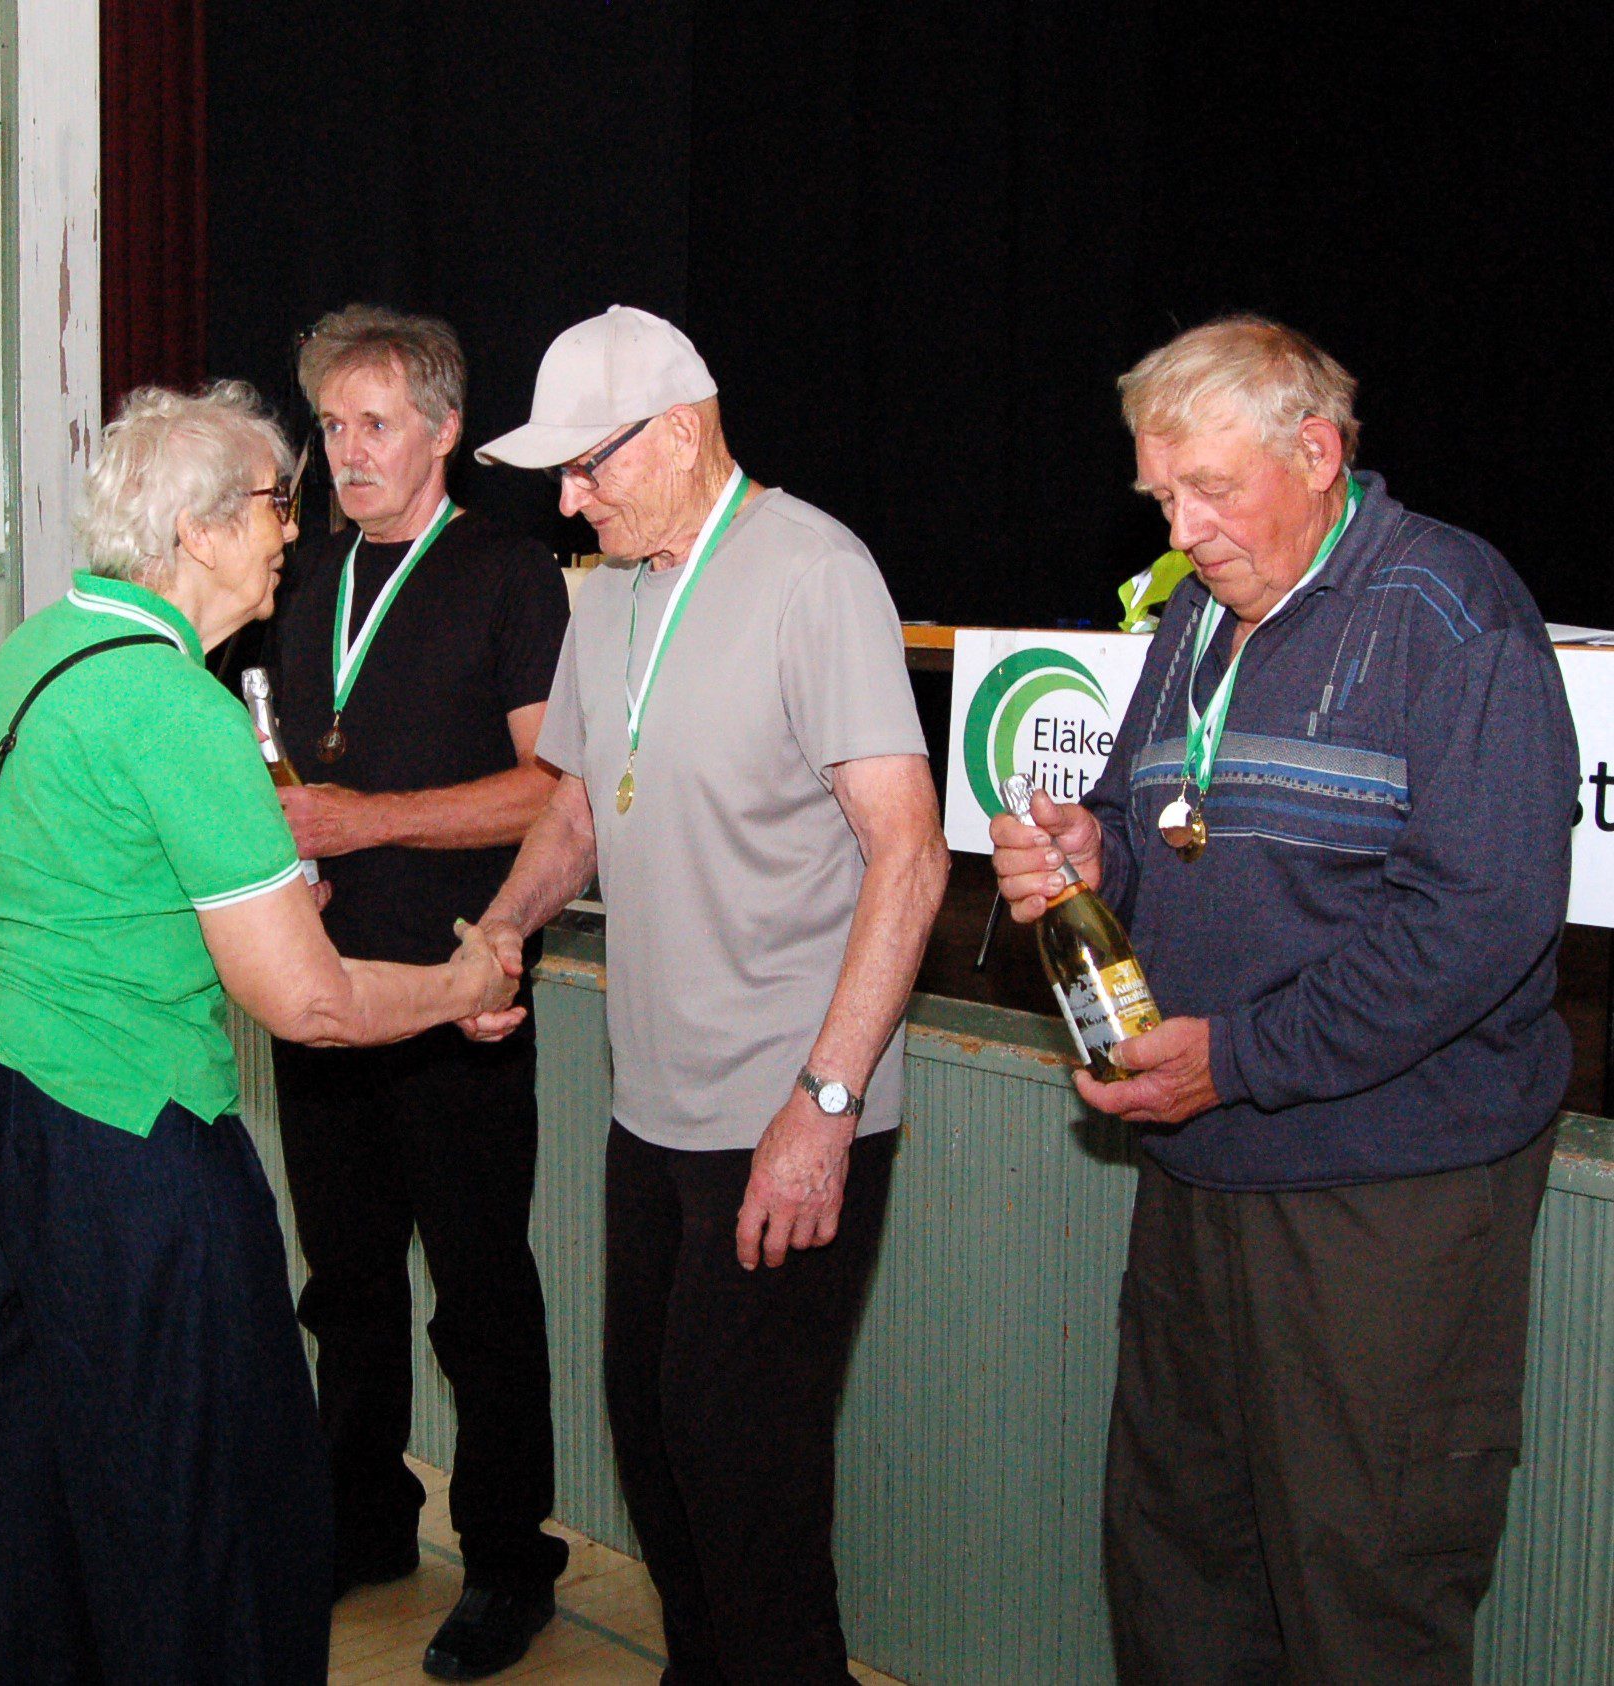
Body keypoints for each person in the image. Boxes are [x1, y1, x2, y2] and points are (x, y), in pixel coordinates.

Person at [990, 316, 1578, 1684]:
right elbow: (1156, 831)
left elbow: (1479, 923)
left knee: (1361, 1580)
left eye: (1209, 489)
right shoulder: (1201, 612)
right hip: (1203, 1169)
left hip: (1387, 1196)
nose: (1183, 529)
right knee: (1180, 1557)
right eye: (1162, 497)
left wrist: (1240, 1055)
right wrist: (1095, 854)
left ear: (1316, 453)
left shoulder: (1451, 611)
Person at [0, 381, 522, 1684]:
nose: (288, 533)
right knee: (207, 1502)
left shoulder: (36, 650)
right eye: (269, 504)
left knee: (27, 1472)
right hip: (129, 1149)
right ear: (193, 531)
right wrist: (463, 986)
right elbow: (308, 1000)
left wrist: (175, 909)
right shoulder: (178, 709)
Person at [463, 306, 950, 1684]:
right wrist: (495, 934)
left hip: (787, 1114)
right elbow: (573, 811)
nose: (567, 497)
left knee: (751, 1485)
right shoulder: (608, 587)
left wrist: (827, 1103)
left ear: (680, 431)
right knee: (658, 1446)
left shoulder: (815, 573)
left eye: (587, 466)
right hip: (653, 1113)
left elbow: (906, 853)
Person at [264, 305, 574, 1678]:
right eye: (331, 426)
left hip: (459, 984)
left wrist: (363, 823)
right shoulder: (304, 572)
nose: (348, 452)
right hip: (324, 982)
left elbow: (549, 791)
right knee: (344, 1282)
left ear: (447, 428)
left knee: (479, 1291)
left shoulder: (510, 574)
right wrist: (286, 841)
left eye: (376, 423)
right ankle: (363, 1518)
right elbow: (291, 774)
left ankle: (511, 1559)